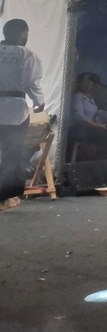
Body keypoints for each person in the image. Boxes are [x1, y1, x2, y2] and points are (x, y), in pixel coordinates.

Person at [0, 19, 45, 211]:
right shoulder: (27, 55)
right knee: (13, 155)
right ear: (22, 35)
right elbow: (31, 83)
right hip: (13, 111)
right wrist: (39, 102)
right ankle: (5, 199)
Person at [68, 72, 107, 159]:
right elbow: (78, 118)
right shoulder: (77, 97)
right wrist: (98, 126)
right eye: (86, 81)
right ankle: (100, 163)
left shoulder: (89, 97)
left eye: (91, 81)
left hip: (89, 130)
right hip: (79, 131)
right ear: (80, 82)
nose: (89, 83)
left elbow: (96, 113)